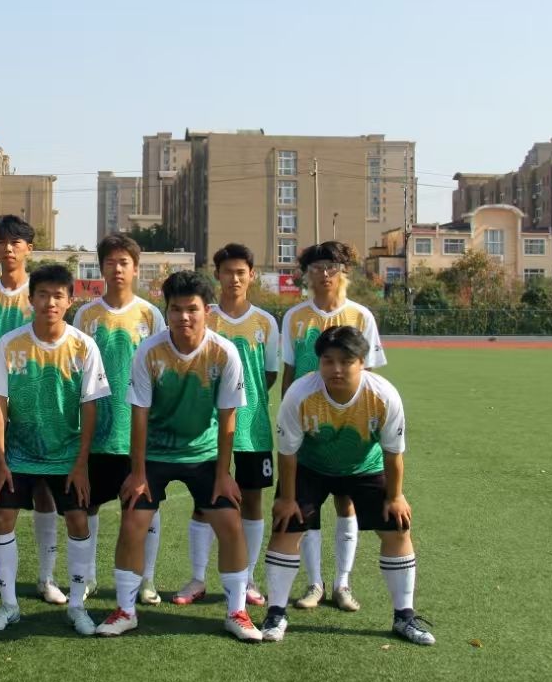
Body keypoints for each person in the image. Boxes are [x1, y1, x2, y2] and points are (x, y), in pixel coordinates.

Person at [95, 271, 262, 642]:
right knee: (132, 522)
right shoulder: (149, 351)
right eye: (175, 309)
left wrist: (224, 474)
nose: (183, 317)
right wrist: (138, 473)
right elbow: (139, 414)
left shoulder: (224, 352)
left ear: (207, 311)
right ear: (166, 311)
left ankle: (237, 612)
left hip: (203, 454)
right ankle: (125, 610)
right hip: (155, 452)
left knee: (230, 523)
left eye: (192, 309)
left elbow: (228, 418)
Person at [260, 326, 433, 646]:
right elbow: (287, 453)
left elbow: (393, 454)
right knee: (286, 525)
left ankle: (404, 616)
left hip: (364, 467)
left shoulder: (384, 396)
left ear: (362, 362)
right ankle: (275, 613)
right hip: (310, 467)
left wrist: (395, 496)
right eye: (328, 360)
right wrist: (287, 499)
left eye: (346, 361)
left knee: (397, 527)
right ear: (319, 362)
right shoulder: (299, 394)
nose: (336, 369)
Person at [0, 264, 109, 635]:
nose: (50, 302)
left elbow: (90, 406)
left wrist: (82, 464)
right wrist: (1, 460)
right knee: (2, 518)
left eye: (58, 296)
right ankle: (8, 605)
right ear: (31, 299)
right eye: (42, 295)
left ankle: (76, 606)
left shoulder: (83, 346)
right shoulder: (10, 343)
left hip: (66, 456)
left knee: (78, 520)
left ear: (70, 301)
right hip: (19, 454)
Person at [277, 241, 385, 613]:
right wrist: (287, 415)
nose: (324, 274)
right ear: (306, 274)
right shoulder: (294, 317)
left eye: (331, 267)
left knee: (346, 501)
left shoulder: (361, 316)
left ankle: (342, 583)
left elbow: (370, 377)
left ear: (344, 272)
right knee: (307, 506)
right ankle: (314, 583)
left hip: (350, 426)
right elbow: (289, 372)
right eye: (317, 267)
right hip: (308, 425)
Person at [0, 215, 65, 604]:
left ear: (29, 248)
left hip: (36, 411)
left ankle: (46, 578)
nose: (8, 249)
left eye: (16, 242)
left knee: (43, 491)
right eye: (1, 242)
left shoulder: (41, 295)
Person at [175, 242, 279, 609]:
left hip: (252, 429)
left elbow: (268, 375)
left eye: (241, 272)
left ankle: (247, 578)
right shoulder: (206, 317)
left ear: (252, 275)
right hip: (207, 427)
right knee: (204, 502)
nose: (234, 279)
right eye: (227, 272)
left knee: (252, 500)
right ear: (216, 274)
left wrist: (243, 400)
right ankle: (198, 577)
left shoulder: (266, 322)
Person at [72, 233, 166, 604]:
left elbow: (161, 368)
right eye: (110, 262)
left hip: (138, 430)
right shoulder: (86, 315)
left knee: (145, 505)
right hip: (98, 429)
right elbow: (77, 369)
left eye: (124, 262)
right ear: (101, 268)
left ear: (136, 268)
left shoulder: (151, 315)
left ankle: (147, 579)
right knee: (88, 504)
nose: (117, 269)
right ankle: (89, 577)